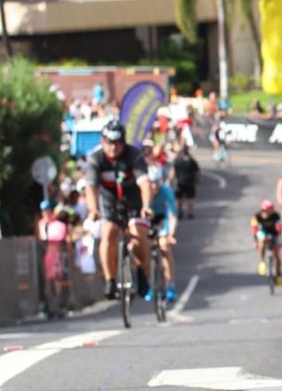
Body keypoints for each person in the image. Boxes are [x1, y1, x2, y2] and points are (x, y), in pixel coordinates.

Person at [84, 120, 155, 301]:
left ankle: (142, 273)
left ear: (123, 142)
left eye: (117, 143)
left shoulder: (134, 155)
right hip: (109, 201)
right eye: (109, 142)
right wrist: (93, 210)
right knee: (108, 232)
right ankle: (110, 280)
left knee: (138, 233)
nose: (113, 147)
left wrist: (146, 205)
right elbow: (91, 188)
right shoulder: (95, 159)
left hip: (133, 199)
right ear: (103, 141)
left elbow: (145, 183)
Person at [147, 161, 179, 304]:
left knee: (165, 247)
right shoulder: (143, 192)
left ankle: (170, 284)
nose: (153, 187)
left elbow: (172, 215)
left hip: (162, 220)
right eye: (151, 184)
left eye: (156, 183)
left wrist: (170, 234)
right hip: (148, 220)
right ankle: (149, 283)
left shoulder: (167, 191)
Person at [252, 195, 282, 282]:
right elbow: (254, 229)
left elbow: (279, 227)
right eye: (265, 210)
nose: (268, 212)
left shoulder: (276, 216)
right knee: (261, 241)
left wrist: (280, 239)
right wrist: (256, 241)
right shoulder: (257, 217)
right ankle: (262, 262)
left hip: (274, 233)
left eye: (270, 209)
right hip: (263, 232)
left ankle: (278, 275)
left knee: (277, 256)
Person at [172, 143, 200, 219]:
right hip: (190, 182)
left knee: (179, 198)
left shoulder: (177, 160)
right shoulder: (191, 160)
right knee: (190, 198)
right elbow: (197, 171)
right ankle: (190, 213)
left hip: (179, 182)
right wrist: (197, 180)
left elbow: (173, 171)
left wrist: (171, 181)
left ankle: (180, 212)